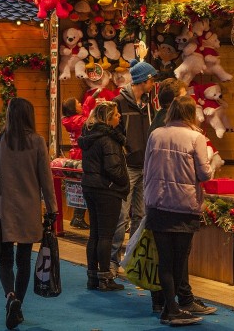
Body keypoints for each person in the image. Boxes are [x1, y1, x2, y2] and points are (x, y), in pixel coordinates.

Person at [0, 98, 58, 330]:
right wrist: (52, 209)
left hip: (3, 209)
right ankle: (19, 305)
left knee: (4, 260)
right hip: (29, 210)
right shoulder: (37, 142)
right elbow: (46, 179)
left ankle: (10, 296)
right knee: (23, 261)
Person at [145, 78, 216, 315]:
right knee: (180, 259)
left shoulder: (156, 134)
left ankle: (169, 307)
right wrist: (213, 164)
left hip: (158, 204)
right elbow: (204, 174)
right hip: (184, 205)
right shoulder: (196, 137)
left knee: (164, 260)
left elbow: (147, 168)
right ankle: (178, 304)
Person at [110, 59, 157, 273]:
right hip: (128, 165)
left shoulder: (149, 104)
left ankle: (132, 260)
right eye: (151, 79)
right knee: (121, 214)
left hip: (145, 164)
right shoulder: (120, 102)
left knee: (140, 215)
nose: (153, 83)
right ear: (143, 81)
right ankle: (112, 259)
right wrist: (126, 146)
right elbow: (114, 129)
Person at [77, 101, 129, 291]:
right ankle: (105, 278)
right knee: (106, 235)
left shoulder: (89, 135)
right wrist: (124, 182)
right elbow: (113, 168)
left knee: (95, 234)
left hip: (90, 187)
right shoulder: (109, 139)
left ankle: (93, 276)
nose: (119, 117)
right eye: (116, 115)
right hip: (107, 190)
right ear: (108, 118)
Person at [62, 97, 92, 230]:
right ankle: (78, 217)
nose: (81, 104)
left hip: (74, 153)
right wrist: (88, 105)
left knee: (78, 187)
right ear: (74, 108)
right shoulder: (78, 120)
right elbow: (89, 122)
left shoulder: (69, 120)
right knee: (83, 187)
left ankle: (77, 217)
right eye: (78, 103)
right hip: (82, 155)